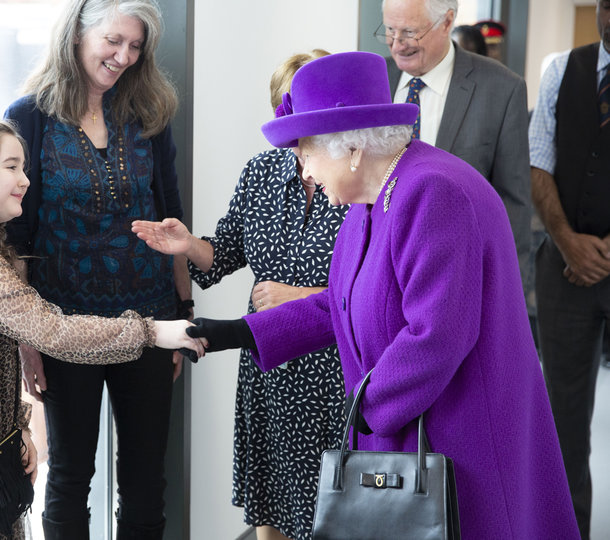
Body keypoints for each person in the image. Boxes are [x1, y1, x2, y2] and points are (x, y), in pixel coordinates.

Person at [177, 52, 580, 539]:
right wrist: (235, 334)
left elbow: (436, 335)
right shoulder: (371, 198)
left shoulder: (433, 192)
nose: (304, 168)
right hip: (413, 429)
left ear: (351, 149)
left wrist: (363, 408)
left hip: (462, 440)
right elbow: (340, 303)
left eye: (307, 151)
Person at [0, 116, 201, 539]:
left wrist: (18, 428)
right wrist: (152, 332)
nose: (26, 180)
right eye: (12, 167)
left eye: (24, 168)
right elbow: (53, 331)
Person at [131, 49, 346, 540]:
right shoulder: (261, 173)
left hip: (332, 367)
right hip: (266, 362)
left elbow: (373, 285)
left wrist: (300, 295)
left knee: (332, 504)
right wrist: (188, 245)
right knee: (268, 497)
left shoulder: (354, 178)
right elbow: (223, 254)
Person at [3, 0, 189, 537]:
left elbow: (171, 218)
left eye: (135, 46)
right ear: (76, 35)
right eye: (113, 40)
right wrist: (26, 340)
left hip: (150, 323)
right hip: (65, 328)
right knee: (69, 477)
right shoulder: (29, 116)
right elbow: (16, 237)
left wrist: (184, 311)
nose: (124, 56)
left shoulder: (149, 114)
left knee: (146, 480)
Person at [377, 0, 531, 291]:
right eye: (389, 30)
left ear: (447, 22)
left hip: (460, 277)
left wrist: (508, 292)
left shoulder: (501, 89)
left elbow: (514, 205)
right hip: (380, 278)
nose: (397, 44)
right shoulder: (373, 81)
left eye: (409, 32)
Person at [530, 1, 610, 536]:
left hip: (592, 259)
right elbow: (538, 160)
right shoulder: (561, 69)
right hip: (563, 273)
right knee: (563, 426)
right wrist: (567, 242)